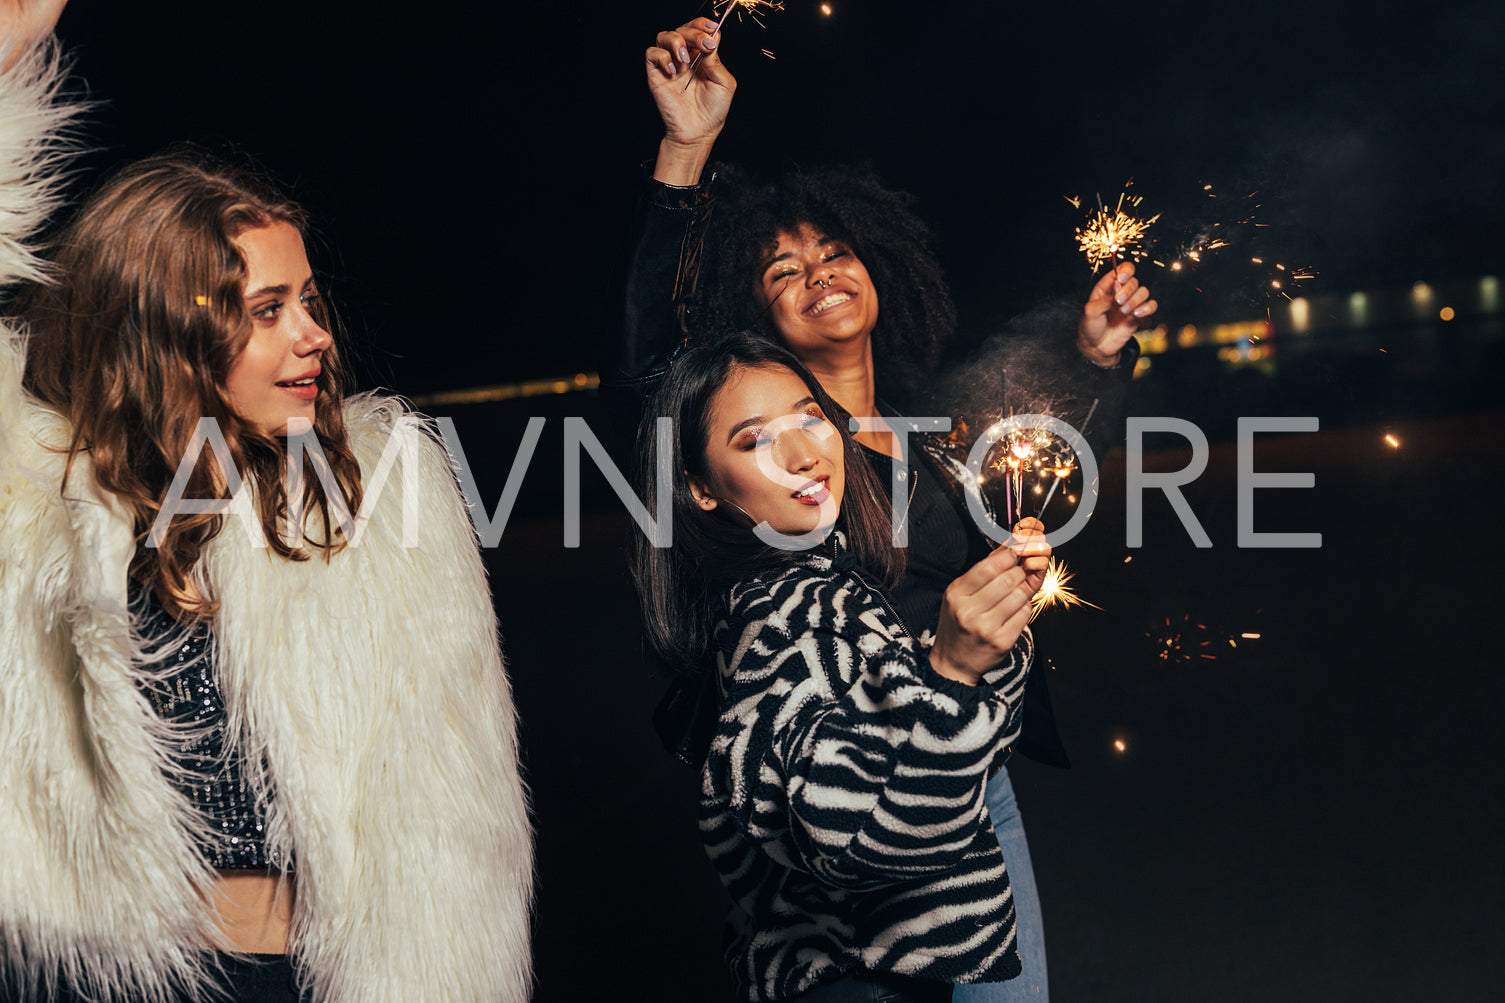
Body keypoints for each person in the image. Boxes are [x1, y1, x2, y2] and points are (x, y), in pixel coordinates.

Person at [620, 19, 1161, 1001]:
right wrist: (684, 150)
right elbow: (656, 369)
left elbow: (1029, 433)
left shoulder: (928, 428)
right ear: (754, 317)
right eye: (782, 270)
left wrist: (1087, 353)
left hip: (970, 771)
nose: (818, 273)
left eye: (833, 252)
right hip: (842, 802)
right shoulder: (780, 460)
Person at [0, 9, 531, 1002]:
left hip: (311, 980)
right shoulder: (41, 492)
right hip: (96, 976)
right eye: (266, 311)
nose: (314, 337)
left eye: (309, 300)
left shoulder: (371, 500)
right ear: (163, 333)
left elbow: (448, 816)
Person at [630, 331, 1052, 1002]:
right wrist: (949, 669)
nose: (803, 453)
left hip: (931, 929)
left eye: (808, 416)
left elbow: (968, 740)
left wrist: (987, 641)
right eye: (754, 439)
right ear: (700, 488)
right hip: (860, 970)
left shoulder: (829, 573)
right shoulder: (773, 621)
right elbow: (852, 842)